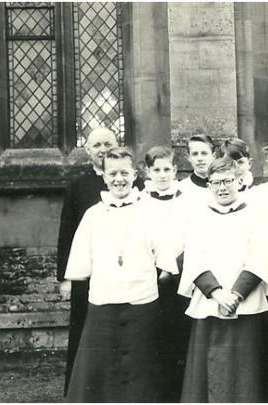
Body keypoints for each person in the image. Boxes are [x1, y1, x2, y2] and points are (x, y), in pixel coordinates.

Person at [64, 147, 178, 402]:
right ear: (104, 177)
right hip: (103, 306)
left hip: (142, 307)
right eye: (112, 173)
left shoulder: (151, 211)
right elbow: (80, 270)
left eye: (125, 173)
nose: (119, 179)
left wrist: (143, 282)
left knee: (141, 374)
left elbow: (167, 265)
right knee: (101, 375)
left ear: (135, 174)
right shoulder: (93, 215)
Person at [177, 157, 268, 403]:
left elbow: (261, 256)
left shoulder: (255, 214)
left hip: (246, 303)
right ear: (208, 185)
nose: (222, 187)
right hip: (209, 304)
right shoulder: (198, 216)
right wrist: (218, 294)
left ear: (239, 181)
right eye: (215, 182)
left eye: (227, 181)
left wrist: (236, 295)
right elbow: (194, 257)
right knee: (207, 374)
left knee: (246, 372)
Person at [56, 127, 138, 395]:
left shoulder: (131, 183)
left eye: (108, 144)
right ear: (88, 150)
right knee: (84, 330)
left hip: (124, 273)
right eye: (97, 145)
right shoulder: (77, 186)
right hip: (86, 272)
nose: (102, 149)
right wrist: (65, 277)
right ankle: (80, 389)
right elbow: (67, 231)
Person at [142, 146, 190, 402]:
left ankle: (178, 392)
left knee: (178, 335)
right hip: (149, 278)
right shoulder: (140, 200)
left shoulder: (188, 200)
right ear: (148, 171)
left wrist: (173, 268)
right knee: (153, 337)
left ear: (175, 171)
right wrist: (157, 269)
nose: (162, 175)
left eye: (167, 169)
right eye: (156, 170)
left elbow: (192, 237)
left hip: (181, 277)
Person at [179, 134, 216, 206]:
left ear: (213, 156)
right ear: (189, 157)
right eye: (195, 154)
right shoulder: (181, 189)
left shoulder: (223, 187)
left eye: (204, 153)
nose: (200, 159)